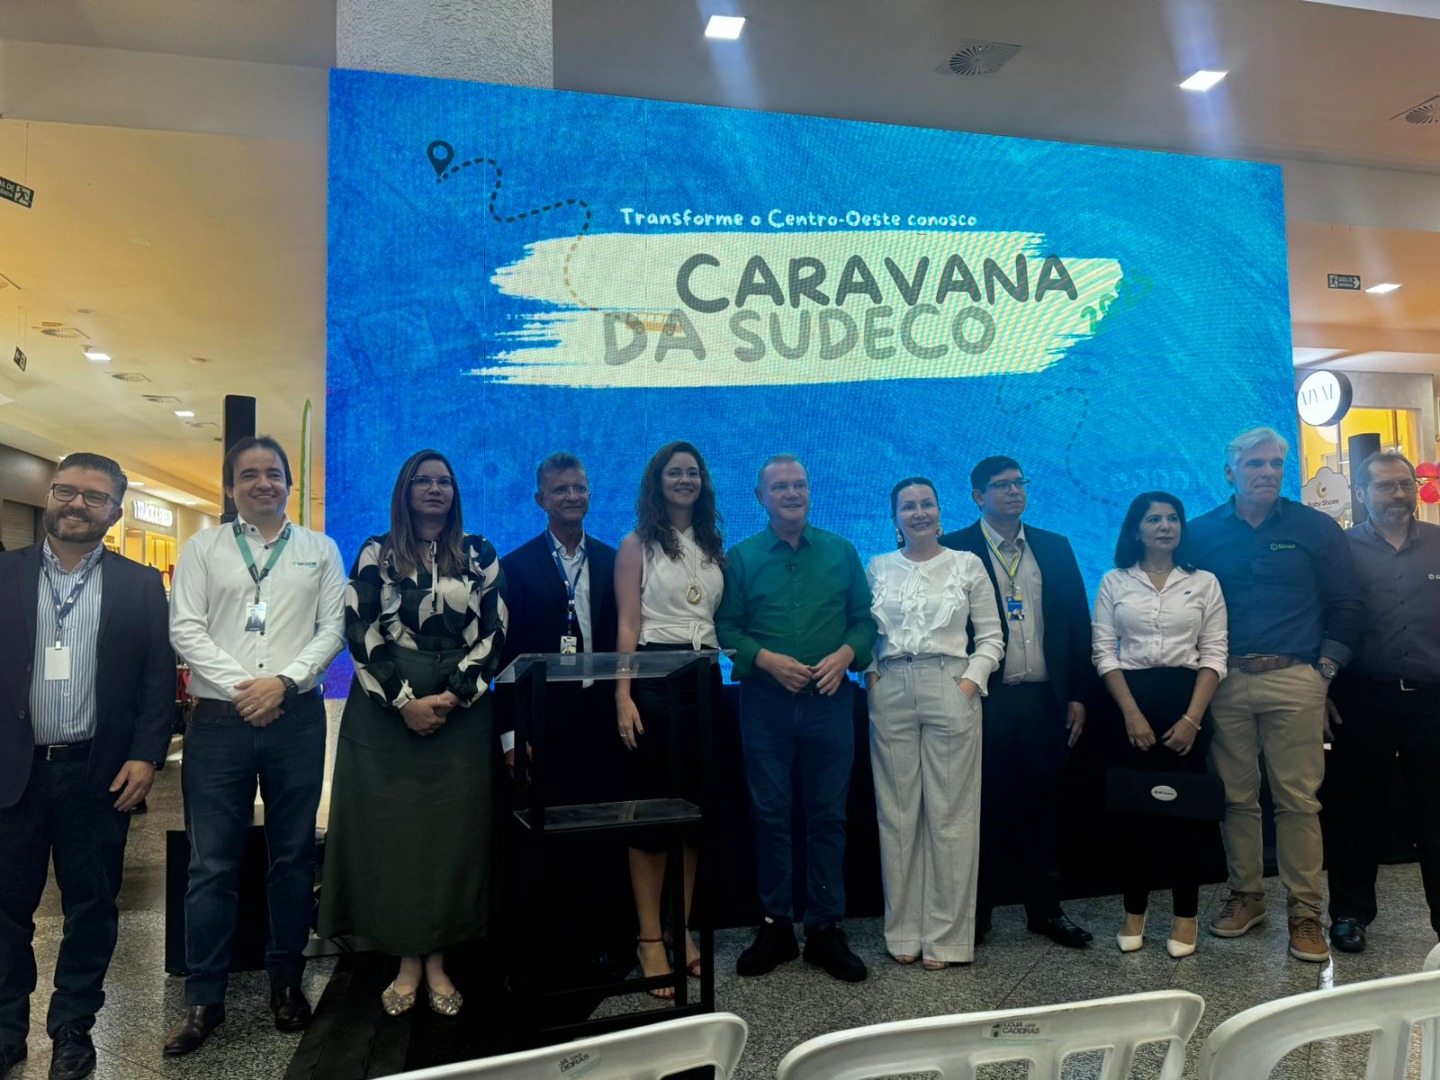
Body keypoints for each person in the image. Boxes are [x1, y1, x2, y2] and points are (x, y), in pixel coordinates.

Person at [165, 435, 346, 1054]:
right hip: (220, 722)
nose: (263, 483)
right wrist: (248, 688)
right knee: (210, 864)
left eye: (274, 473)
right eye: (249, 474)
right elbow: (185, 628)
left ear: (289, 484)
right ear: (230, 486)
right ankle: (203, 999)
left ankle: (286, 983)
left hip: (296, 718)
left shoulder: (320, 549)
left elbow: (333, 629)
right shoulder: (204, 548)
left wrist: (284, 683)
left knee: (292, 858)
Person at [0, 454, 174, 1080]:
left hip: (99, 774)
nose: (76, 504)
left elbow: (157, 679)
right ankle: (6, 1029)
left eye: (93, 497)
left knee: (92, 907)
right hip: (12, 772)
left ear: (115, 512)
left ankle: (73, 1029)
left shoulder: (139, 584)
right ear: (50, 495)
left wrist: (146, 754)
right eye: (66, 490)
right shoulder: (5, 573)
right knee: (5, 910)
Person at [319, 450, 507, 1015]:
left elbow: (495, 631)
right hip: (386, 711)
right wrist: (404, 701)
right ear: (405, 490)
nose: (434, 489)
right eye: (422, 480)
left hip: (460, 712)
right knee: (394, 834)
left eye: (443, 481)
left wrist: (452, 696)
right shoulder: (376, 552)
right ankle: (405, 958)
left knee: (453, 837)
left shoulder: (480, 552)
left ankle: (438, 959)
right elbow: (359, 627)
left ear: (455, 492)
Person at [1187, 426, 1362, 962]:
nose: (1267, 473)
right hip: (1224, 680)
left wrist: (1323, 672)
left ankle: (1305, 913)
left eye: (1275, 464)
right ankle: (1247, 896)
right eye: (1255, 464)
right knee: (1236, 798)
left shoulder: (1315, 528)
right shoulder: (1199, 533)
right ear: (1230, 473)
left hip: (1295, 678)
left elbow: (1347, 603)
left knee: (1298, 801)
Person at [715, 454, 877, 982]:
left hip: (830, 701)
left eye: (799, 485)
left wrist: (846, 655)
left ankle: (825, 928)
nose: (791, 493)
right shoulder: (740, 559)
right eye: (780, 486)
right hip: (765, 704)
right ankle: (776, 926)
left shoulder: (841, 551)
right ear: (760, 497)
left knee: (829, 816)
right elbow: (726, 628)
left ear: (810, 492)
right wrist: (765, 660)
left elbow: (864, 622)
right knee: (770, 815)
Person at [940, 455, 1096, 947]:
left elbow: (1078, 623)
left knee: (1043, 807)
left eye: (1019, 482)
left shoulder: (1054, 546)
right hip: (983, 699)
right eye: (1002, 485)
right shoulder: (955, 549)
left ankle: (1045, 911)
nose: (1014, 491)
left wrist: (1077, 693)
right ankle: (976, 914)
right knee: (980, 808)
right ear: (978, 497)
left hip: (1043, 700)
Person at [497, 452, 631, 980]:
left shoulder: (614, 560)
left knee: (601, 838)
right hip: (542, 722)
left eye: (579, 488)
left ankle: (601, 943)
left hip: (599, 719)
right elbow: (504, 661)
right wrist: (511, 737)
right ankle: (551, 946)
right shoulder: (513, 567)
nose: (572, 497)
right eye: (560, 490)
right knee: (546, 841)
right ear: (541, 500)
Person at [864, 477, 1004, 969]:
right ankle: (903, 931)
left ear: (940, 512)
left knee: (951, 816)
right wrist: (871, 676)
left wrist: (968, 683)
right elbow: (863, 632)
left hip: (949, 683)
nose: (919, 512)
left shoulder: (967, 564)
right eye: (908, 506)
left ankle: (946, 939)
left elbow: (992, 637)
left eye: (927, 504)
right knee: (897, 815)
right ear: (895, 517)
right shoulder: (877, 567)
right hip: (891, 687)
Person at [1092, 491, 1228, 958]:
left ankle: (1186, 917)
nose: (1165, 526)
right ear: (1136, 529)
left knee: (1186, 817)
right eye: (1154, 519)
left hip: (1187, 705)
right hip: (1129, 706)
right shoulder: (1114, 581)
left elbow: (1214, 653)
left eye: (1172, 518)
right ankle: (1134, 912)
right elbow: (1103, 652)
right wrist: (1131, 713)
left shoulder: (1204, 582)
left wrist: (1193, 719)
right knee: (1136, 815)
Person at [614, 441, 726, 997]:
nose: (685, 480)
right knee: (653, 817)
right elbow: (628, 624)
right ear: (656, 482)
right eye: (674, 472)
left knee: (694, 816)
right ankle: (649, 939)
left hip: (705, 679)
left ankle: (681, 930)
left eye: (693, 472)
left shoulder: (712, 544)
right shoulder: (637, 544)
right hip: (654, 681)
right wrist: (622, 694)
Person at [1322, 451, 1440, 953]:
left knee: (1436, 812)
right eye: (1385, 486)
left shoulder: (1439, 543)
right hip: (1361, 697)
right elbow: (1325, 620)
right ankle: (1350, 914)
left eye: (1404, 484)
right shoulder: (1341, 550)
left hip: (1433, 700)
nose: (1398, 494)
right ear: (1362, 493)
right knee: (1355, 810)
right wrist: (1323, 691)